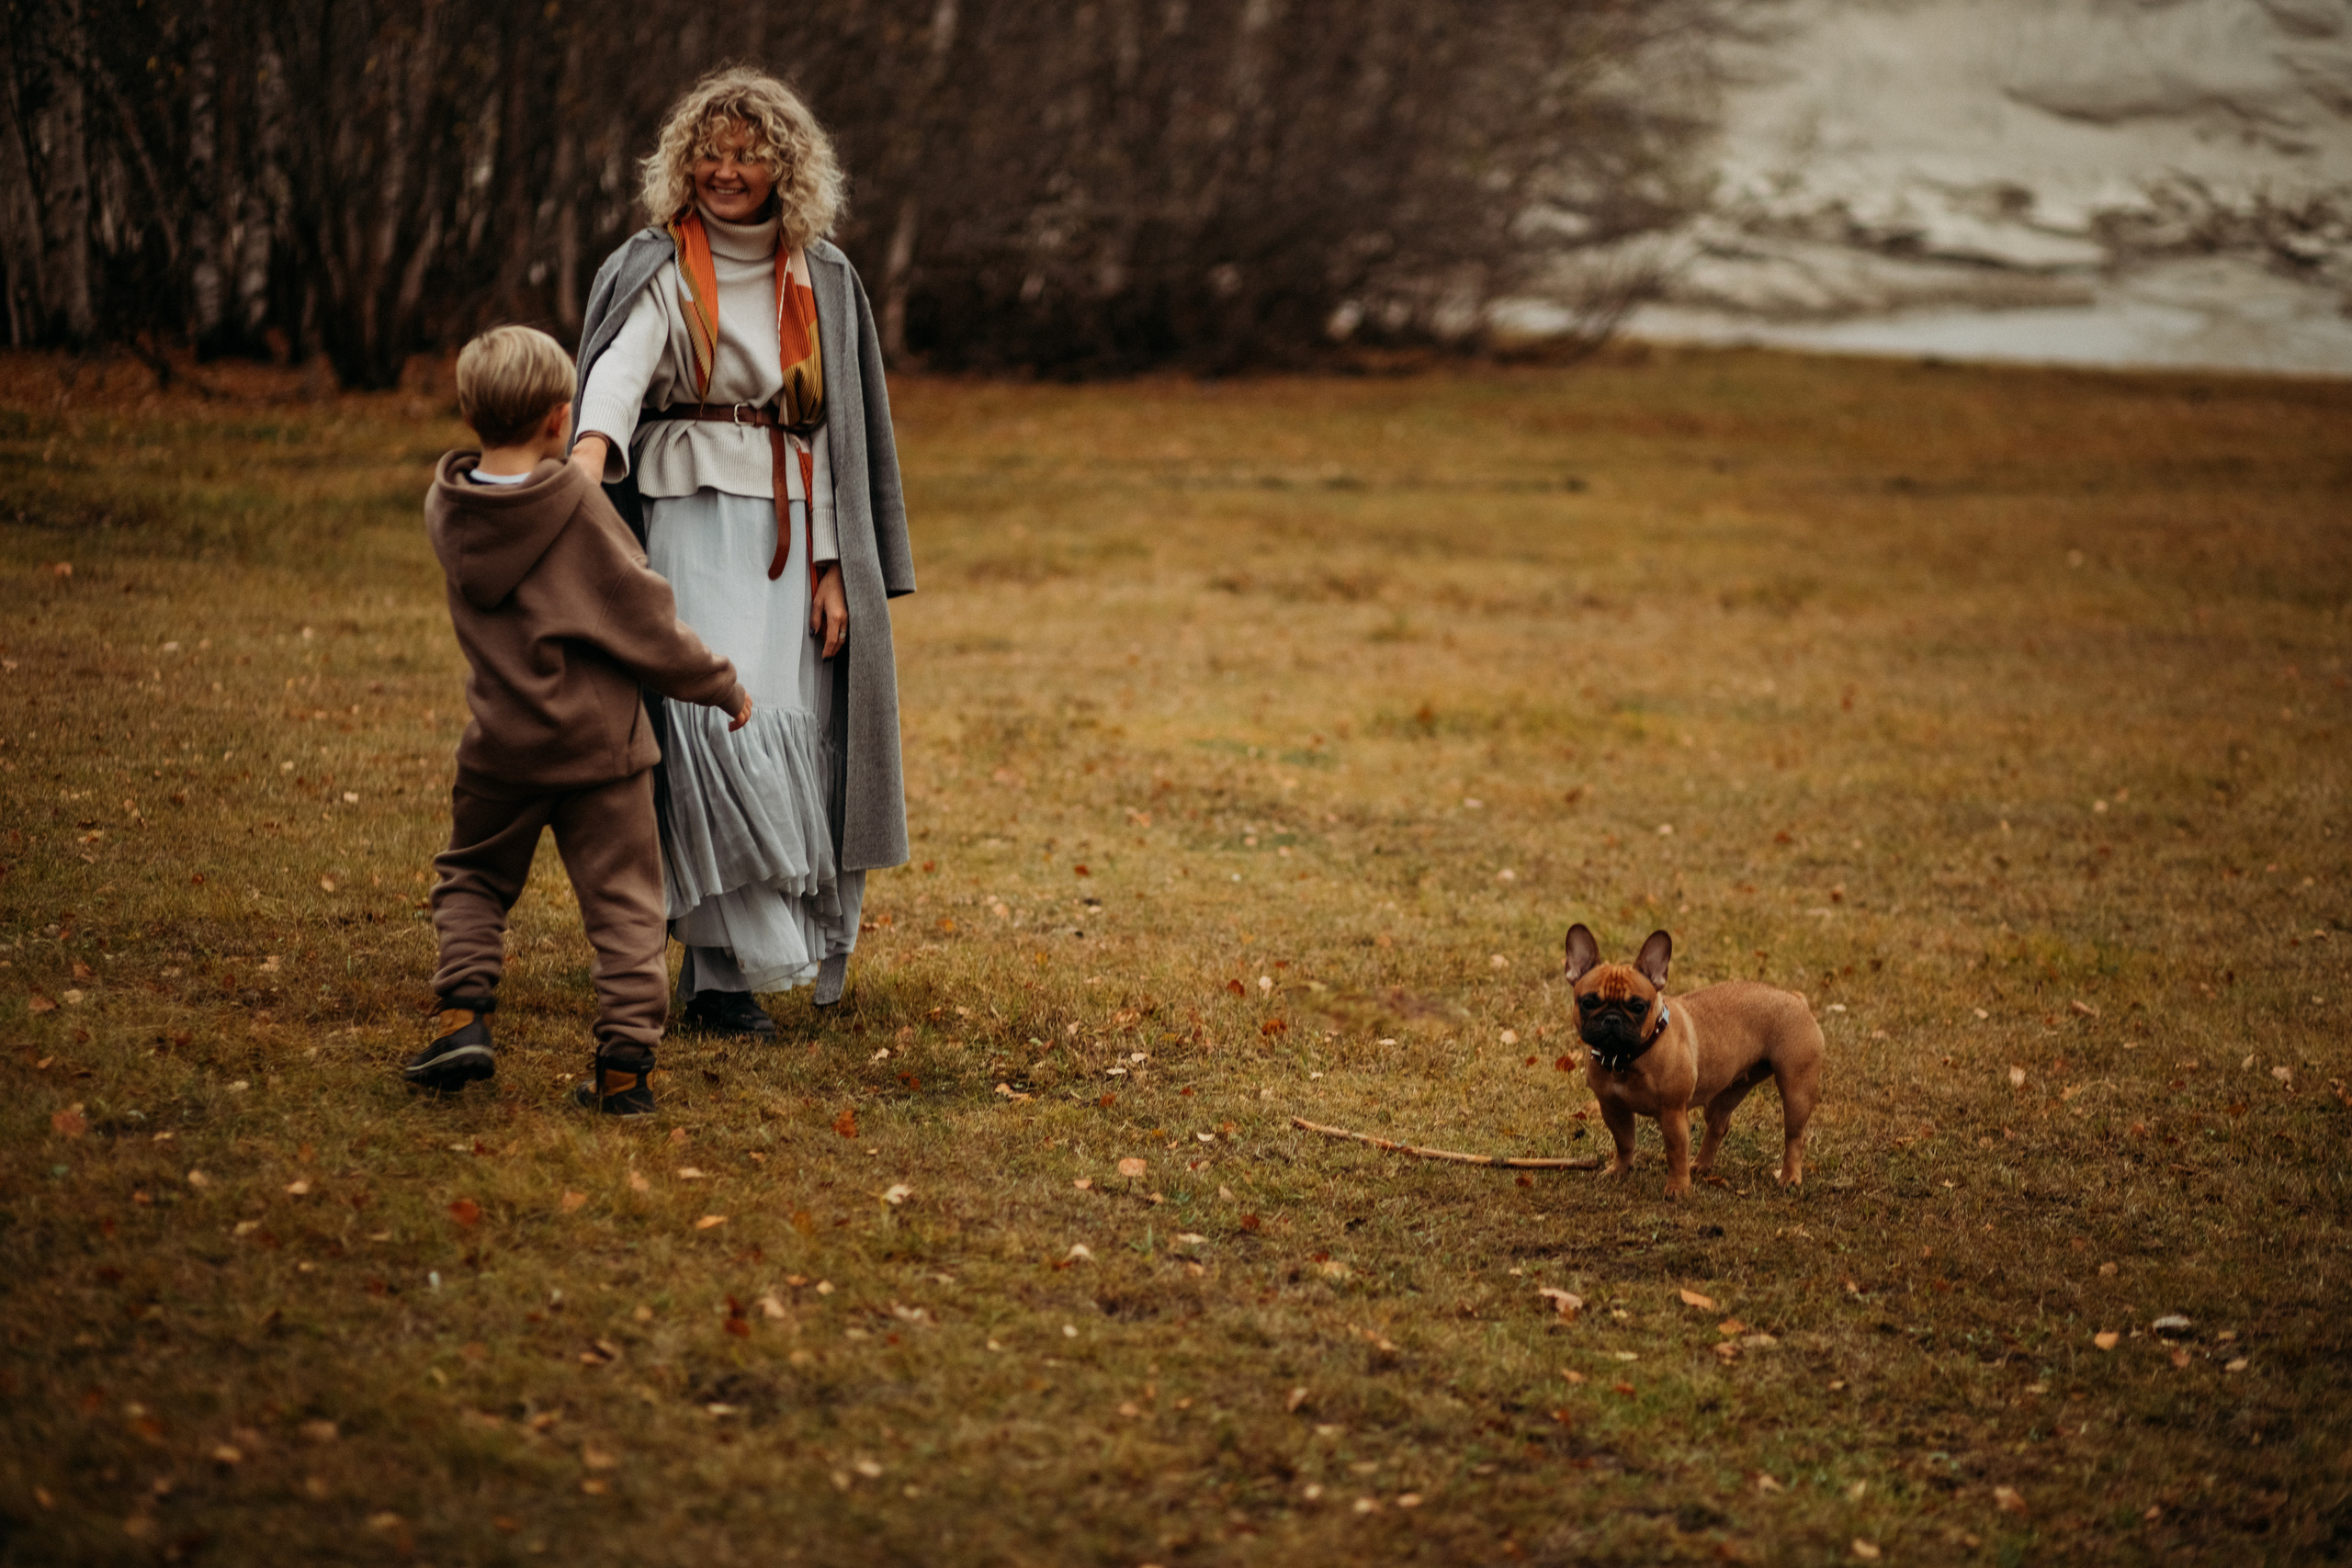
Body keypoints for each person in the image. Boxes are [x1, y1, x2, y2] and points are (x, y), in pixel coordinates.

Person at [571, 67, 914, 1037]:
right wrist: (588, 455)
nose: (727, 173)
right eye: (711, 155)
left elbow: (840, 433)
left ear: (783, 166)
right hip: (690, 514)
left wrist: (841, 566)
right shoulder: (660, 262)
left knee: (789, 724)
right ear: (686, 162)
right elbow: (620, 371)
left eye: (748, 155)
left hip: (798, 523)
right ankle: (725, 974)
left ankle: (723, 962)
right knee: (715, 722)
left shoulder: (825, 275)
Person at [409, 325, 752, 1117]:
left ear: (469, 411)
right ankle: (625, 1070)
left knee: (472, 876)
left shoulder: (448, 508)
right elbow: (646, 620)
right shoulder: (579, 508)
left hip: (500, 743)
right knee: (625, 902)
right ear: (562, 419)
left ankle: (464, 1017)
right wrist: (721, 685)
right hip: (601, 750)